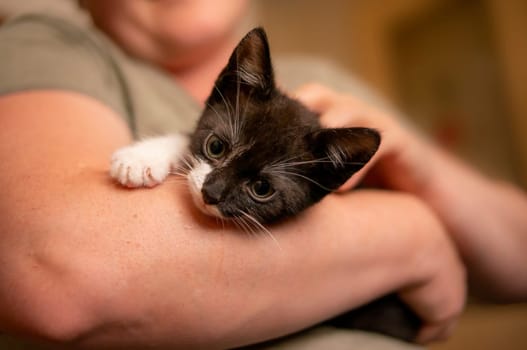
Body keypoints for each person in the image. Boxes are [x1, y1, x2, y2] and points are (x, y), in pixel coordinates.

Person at [0, 0, 523, 348]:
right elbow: (59, 277)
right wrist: (413, 235)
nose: (212, 189)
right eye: (215, 149)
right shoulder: (53, 45)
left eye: (260, 185)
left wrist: (424, 173)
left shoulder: (330, 91)